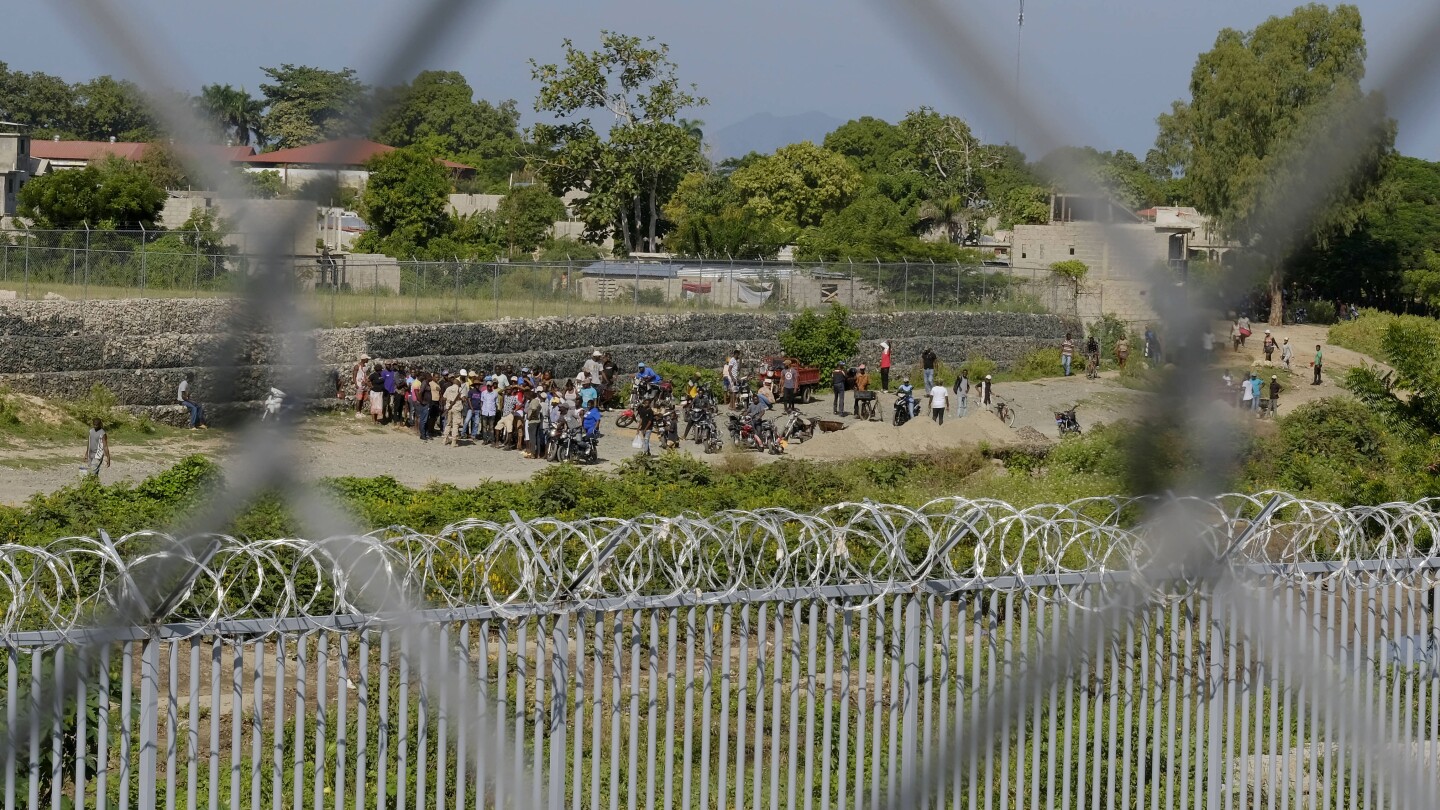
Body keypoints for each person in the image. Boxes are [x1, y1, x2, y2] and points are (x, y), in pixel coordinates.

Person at [441, 374, 463, 446]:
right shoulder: (459, 389)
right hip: (456, 408)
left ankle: (444, 439)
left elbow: (444, 398)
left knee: (448, 424)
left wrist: (448, 402)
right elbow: (464, 398)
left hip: (449, 408)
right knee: (455, 425)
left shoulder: (448, 388)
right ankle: (453, 441)